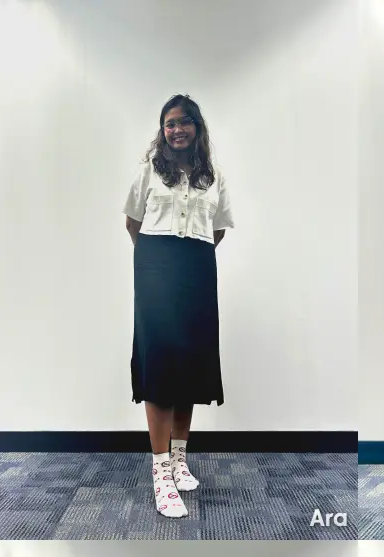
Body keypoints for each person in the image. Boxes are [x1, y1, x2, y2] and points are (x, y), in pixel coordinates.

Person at [124, 95, 234, 519]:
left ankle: (180, 459)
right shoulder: (148, 171)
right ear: (162, 130)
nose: (177, 129)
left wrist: (188, 259)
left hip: (197, 269)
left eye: (184, 122)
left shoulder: (214, 177)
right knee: (161, 364)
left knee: (189, 364)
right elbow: (133, 223)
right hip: (155, 267)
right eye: (169, 123)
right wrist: (159, 261)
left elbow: (218, 229)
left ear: (197, 128)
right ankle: (160, 474)